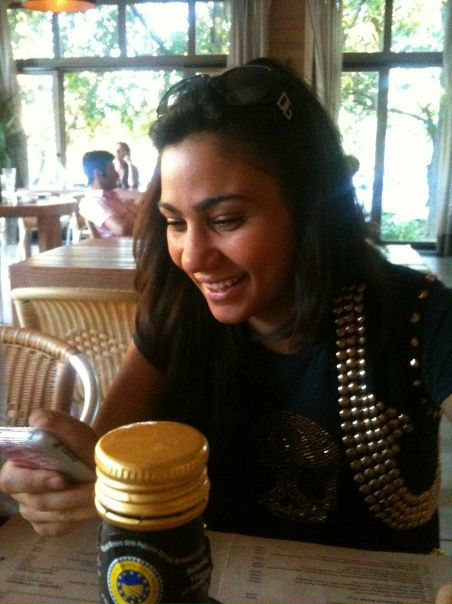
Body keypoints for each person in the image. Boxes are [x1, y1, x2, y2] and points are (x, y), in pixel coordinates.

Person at [1, 59, 452, 566]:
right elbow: (101, 457)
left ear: (311, 209)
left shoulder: (416, 316)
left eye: (226, 219)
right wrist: (66, 484)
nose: (193, 257)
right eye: (175, 222)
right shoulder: (178, 314)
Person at [79, 150, 140, 238]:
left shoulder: (111, 196)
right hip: (119, 245)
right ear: (98, 174)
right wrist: (144, 216)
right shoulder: (92, 202)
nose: (117, 175)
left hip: (133, 241)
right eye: (112, 169)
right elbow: (121, 229)